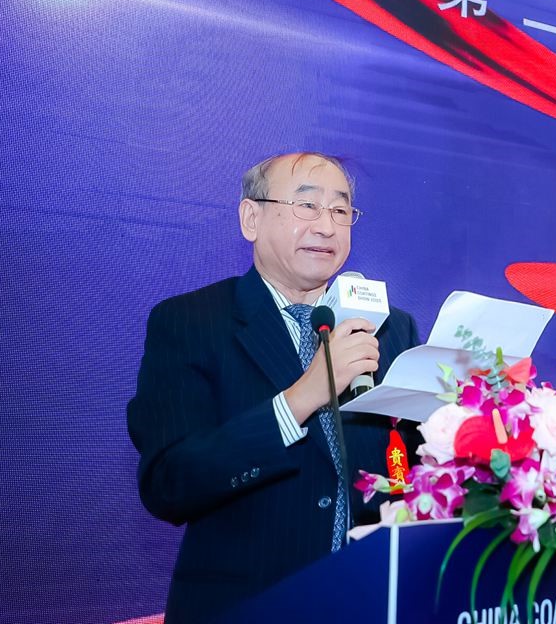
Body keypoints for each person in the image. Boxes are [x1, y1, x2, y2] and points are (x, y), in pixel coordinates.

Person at [127, 152, 421, 623]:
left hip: (370, 601)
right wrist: (300, 398)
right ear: (251, 218)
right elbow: (170, 484)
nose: (326, 226)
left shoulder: (390, 328)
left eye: (340, 210)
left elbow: (415, 469)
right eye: (307, 205)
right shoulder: (190, 323)